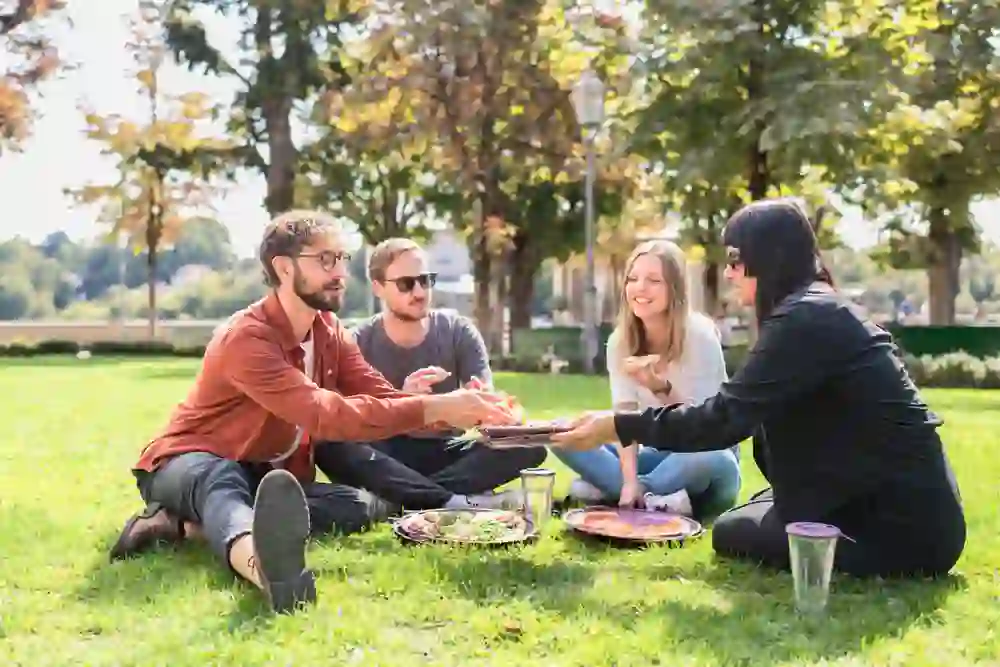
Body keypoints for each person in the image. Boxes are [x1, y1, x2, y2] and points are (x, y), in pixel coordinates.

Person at [109, 210, 519, 614]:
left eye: (342, 258)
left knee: (358, 506)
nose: (340, 270)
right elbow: (324, 413)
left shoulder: (328, 329)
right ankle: (266, 569)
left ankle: (181, 526)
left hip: (266, 474)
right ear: (284, 268)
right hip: (189, 461)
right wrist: (434, 407)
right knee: (223, 480)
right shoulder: (247, 338)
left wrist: (469, 410)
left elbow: (377, 393)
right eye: (325, 260)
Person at [551, 198, 966, 579]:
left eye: (736, 259)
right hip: (897, 508)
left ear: (768, 259)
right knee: (751, 514)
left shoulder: (805, 319)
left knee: (732, 532)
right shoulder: (813, 309)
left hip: (903, 532)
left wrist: (619, 425)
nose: (728, 271)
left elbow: (724, 419)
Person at [313, 237, 546, 511]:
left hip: (448, 450)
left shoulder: (458, 330)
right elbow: (346, 416)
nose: (420, 292)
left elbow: (489, 406)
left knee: (529, 444)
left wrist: (488, 408)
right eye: (406, 283)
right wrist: (405, 403)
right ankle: (453, 499)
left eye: (425, 280)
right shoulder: (357, 340)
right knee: (329, 444)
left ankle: (400, 498)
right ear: (377, 287)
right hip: (384, 452)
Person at [552, 240, 740, 521]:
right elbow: (623, 421)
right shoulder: (620, 341)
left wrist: (659, 387)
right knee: (563, 434)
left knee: (711, 457)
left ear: (674, 289)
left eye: (654, 280)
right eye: (633, 278)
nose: (640, 288)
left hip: (705, 462)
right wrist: (628, 481)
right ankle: (649, 498)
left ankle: (616, 493)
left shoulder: (700, 336)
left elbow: (705, 428)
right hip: (656, 455)